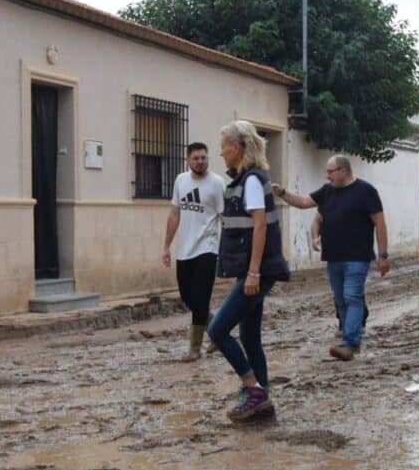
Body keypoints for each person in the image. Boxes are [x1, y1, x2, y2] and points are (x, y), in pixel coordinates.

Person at [206, 121, 290, 422]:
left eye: (225, 146)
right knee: (249, 335)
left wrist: (253, 273)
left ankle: (252, 388)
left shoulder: (252, 181)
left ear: (239, 147)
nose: (221, 152)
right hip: (255, 269)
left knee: (216, 329)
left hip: (258, 270)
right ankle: (261, 399)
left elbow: (259, 226)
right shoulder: (247, 179)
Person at [273, 155, 389, 361]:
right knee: (341, 299)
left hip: (357, 257)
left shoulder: (366, 191)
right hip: (334, 257)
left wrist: (383, 255)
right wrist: (282, 193)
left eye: (330, 172)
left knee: (352, 296)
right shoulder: (327, 192)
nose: (327, 176)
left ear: (343, 171)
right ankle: (348, 335)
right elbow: (302, 202)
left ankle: (351, 343)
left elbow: (379, 222)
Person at [162, 142, 226, 361]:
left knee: (200, 298)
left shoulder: (217, 183)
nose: (200, 161)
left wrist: (228, 248)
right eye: (196, 158)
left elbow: (223, 217)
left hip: (207, 249)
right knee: (187, 297)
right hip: (184, 250)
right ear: (188, 160)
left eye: (204, 158)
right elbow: (174, 215)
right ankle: (218, 329)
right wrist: (166, 246)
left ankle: (194, 348)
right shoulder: (181, 180)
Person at [311, 210, 368, 339]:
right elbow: (316, 221)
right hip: (334, 256)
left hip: (355, 255)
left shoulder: (359, 197)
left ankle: (355, 328)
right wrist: (315, 238)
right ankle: (344, 324)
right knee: (340, 294)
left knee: (352, 292)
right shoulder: (327, 201)